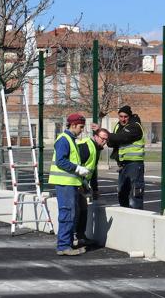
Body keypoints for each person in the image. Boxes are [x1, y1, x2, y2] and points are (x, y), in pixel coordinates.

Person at [48, 113, 90, 256]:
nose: (82, 130)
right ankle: (64, 246)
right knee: (67, 213)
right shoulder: (64, 140)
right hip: (65, 183)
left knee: (70, 213)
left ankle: (67, 244)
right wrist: (78, 169)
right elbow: (61, 161)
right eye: (81, 127)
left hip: (69, 183)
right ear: (73, 125)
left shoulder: (70, 140)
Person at [93, 105, 145, 209]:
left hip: (134, 164)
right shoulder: (118, 126)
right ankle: (125, 214)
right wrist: (110, 138)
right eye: (121, 116)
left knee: (135, 193)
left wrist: (102, 132)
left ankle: (137, 215)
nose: (123, 119)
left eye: (125, 116)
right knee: (122, 192)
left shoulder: (135, 126)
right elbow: (112, 142)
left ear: (129, 116)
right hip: (123, 165)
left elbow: (122, 137)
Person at [74, 128, 110, 247]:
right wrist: (80, 184)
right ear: (95, 136)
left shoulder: (96, 149)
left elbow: (92, 171)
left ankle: (81, 236)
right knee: (76, 211)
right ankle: (74, 237)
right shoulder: (87, 147)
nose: (104, 141)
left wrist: (95, 189)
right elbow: (76, 165)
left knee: (83, 209)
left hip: (82, 183)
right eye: (102, 138)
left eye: (106, 139)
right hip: (75, 182)